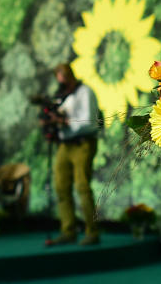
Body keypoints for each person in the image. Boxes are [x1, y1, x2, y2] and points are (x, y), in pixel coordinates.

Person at [46, 63, 100, 247]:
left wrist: (64, 121)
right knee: (61, 186)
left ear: (70, 75)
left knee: (82, 187)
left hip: (82, 142)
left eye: (64, 77)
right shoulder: (61, 96)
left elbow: (88, 120)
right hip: (65, 143)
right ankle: (68, 229)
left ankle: (92, 231)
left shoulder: (84, 92)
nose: (61, 82)